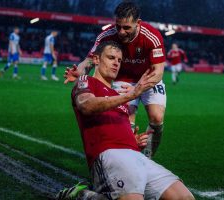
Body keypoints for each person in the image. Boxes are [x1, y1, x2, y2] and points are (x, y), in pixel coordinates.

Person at [57, 41, 194, 200]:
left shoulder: (117, 95)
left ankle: (87, 195)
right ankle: (82, 195)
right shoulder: (86, 81)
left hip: (137, 156)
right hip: (109, 155)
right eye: (111, 58)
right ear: (96, 59)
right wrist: (131, 95)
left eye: (119, 60)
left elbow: (117, 127)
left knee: (184, 197)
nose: (116, 63)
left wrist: (133, 140)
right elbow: (86, 105)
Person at [65, 2, 166, 158]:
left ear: (138, 23)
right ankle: (128, 159)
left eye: (126, 28)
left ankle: (147, 158)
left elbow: (158, 71)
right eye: (118, 26)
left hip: (148, 78)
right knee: (126, 122)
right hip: (123, 78)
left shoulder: (151, 36)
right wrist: (79, 71)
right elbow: (90, 60)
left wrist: (137, 89)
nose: (121, 32)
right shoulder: (106, 35)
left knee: (157, 118)